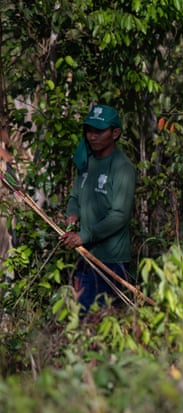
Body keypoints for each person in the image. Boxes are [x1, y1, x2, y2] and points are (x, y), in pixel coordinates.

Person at [60, 104, 136, 316]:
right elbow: (75, 197)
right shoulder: (88, 162)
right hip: (86, 255)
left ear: (115, 133)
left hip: (110, 260)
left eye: (99, 131)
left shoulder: (122, 167)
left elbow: (119, 216)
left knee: (98, 319)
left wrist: (84, 235)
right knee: (80, 315)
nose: (92, 137)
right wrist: (72, 215)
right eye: (89, 131)